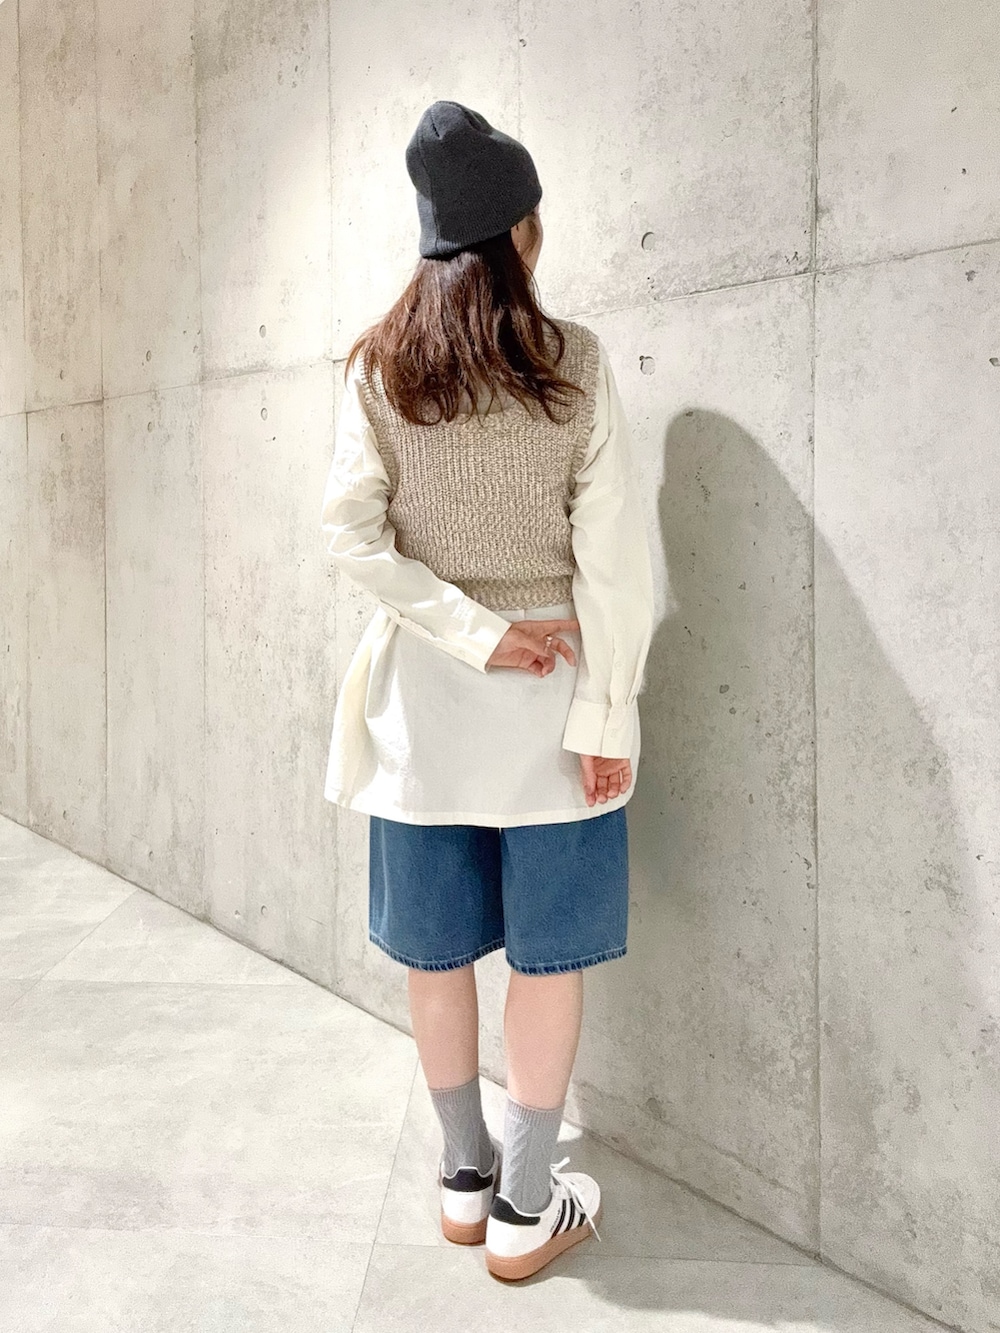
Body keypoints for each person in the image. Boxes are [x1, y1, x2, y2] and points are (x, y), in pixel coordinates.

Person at [320, 100, 655, 1281]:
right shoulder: (574, 363)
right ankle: (525, 1201)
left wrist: (466, 630)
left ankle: (464, 1178)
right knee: (547, 958)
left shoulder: (381, 369)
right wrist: (608, 711)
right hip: (557, 699)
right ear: (520, 229)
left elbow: (350, 538)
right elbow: (616, 562)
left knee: (438, 951)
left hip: (422, 712)